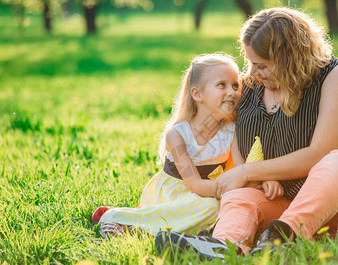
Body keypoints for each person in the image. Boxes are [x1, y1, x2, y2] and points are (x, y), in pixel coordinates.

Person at [155, 7, 338, 257]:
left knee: (336, 160)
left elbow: (318, 153)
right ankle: (225, 246)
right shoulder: (249, 88)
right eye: (251, 63)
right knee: (241, 197)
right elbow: (203, 121)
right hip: (279, 201)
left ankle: (283, 239)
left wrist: (246, 172)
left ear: (290, 60)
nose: (251, 72)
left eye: (261, 65)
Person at [91, 53, 246, 238]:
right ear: (197, 94)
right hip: (174, 194)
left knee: (223, 206)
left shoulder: (231, 130)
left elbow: (241, 167)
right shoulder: (178, 134)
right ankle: (117, 217)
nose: (232, 92)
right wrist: (228, 189)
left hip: (208, 193)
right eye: (222, 85)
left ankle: (148, 229)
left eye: (235, 85)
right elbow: (195, 184)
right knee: (213, 206)